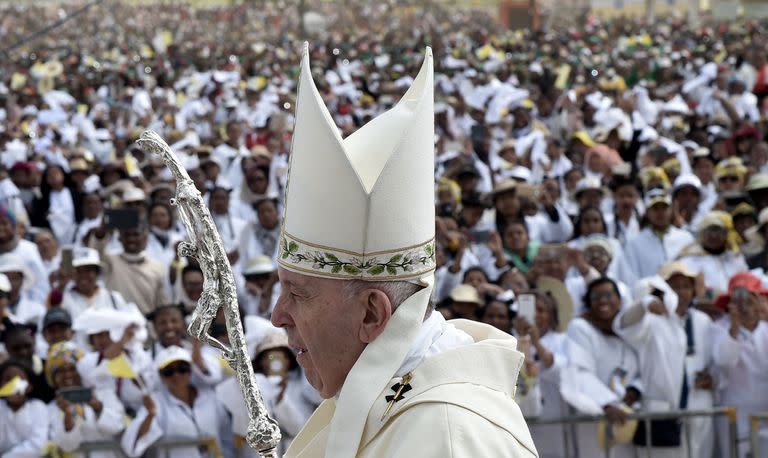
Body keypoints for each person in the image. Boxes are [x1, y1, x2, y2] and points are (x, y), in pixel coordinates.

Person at [269, 46, 536, 456]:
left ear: (373, 314)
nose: (277, 315)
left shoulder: (447, 434)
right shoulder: (389, 403)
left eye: (298, 293)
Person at [562, 277, 642, 458]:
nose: (603, 300)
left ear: (620, 301)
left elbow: (644, 369)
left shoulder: (629, 332)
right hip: (594, 419)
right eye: (596, 296)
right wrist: (607, 403)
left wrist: (635, 390)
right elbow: (579, 371)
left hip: (625, 422)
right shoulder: (581, 328)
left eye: (608, 295)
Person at [121, 346, 229, 458]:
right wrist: (150, 415)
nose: (176, 375)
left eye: (182, 368)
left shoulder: (210, 397)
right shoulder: (156, 402)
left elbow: (226, 436)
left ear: (190, 370)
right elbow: (133, 443)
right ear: (161, 376)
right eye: (169, 371)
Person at [710, 273, 768, 457]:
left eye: (749, 300)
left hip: (764, 417)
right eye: (738, 300)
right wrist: (734, 330)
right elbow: (723, 360)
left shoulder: (766, 330)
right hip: (733, 417)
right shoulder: (719, 328)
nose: (744, 307)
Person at [45, 341, 126, 458]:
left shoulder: (104, 394)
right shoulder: (50, 409)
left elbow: (118, 428)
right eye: (61, 371)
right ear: (53, 378)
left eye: (73, 369)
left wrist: (98, 408)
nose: (68, 375)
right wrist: (67, 416)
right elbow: (66, 446)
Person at [86, 221, 170, 315]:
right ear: (120, 238)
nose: (131, 239)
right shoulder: (110, 261)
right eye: (127, 235)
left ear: (145, 237)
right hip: (117, 324)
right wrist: (102, 231)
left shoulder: (158, 267)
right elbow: (94, 253)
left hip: (147, 325)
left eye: (136, 234)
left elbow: (162, 305)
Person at [625, 189, 695, 279]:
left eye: (664, 208)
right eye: (655, 208)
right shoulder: (634, 244)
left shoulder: (686, 238)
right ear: (647, 212)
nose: (660, 212)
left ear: (671, 210)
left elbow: (693, 270)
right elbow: (632, 277)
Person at [0, 359, 49, 457]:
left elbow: (38, 445)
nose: (13, 385)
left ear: (29, 386)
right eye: (8, 380)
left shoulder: (38, 407)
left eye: (19, 380)